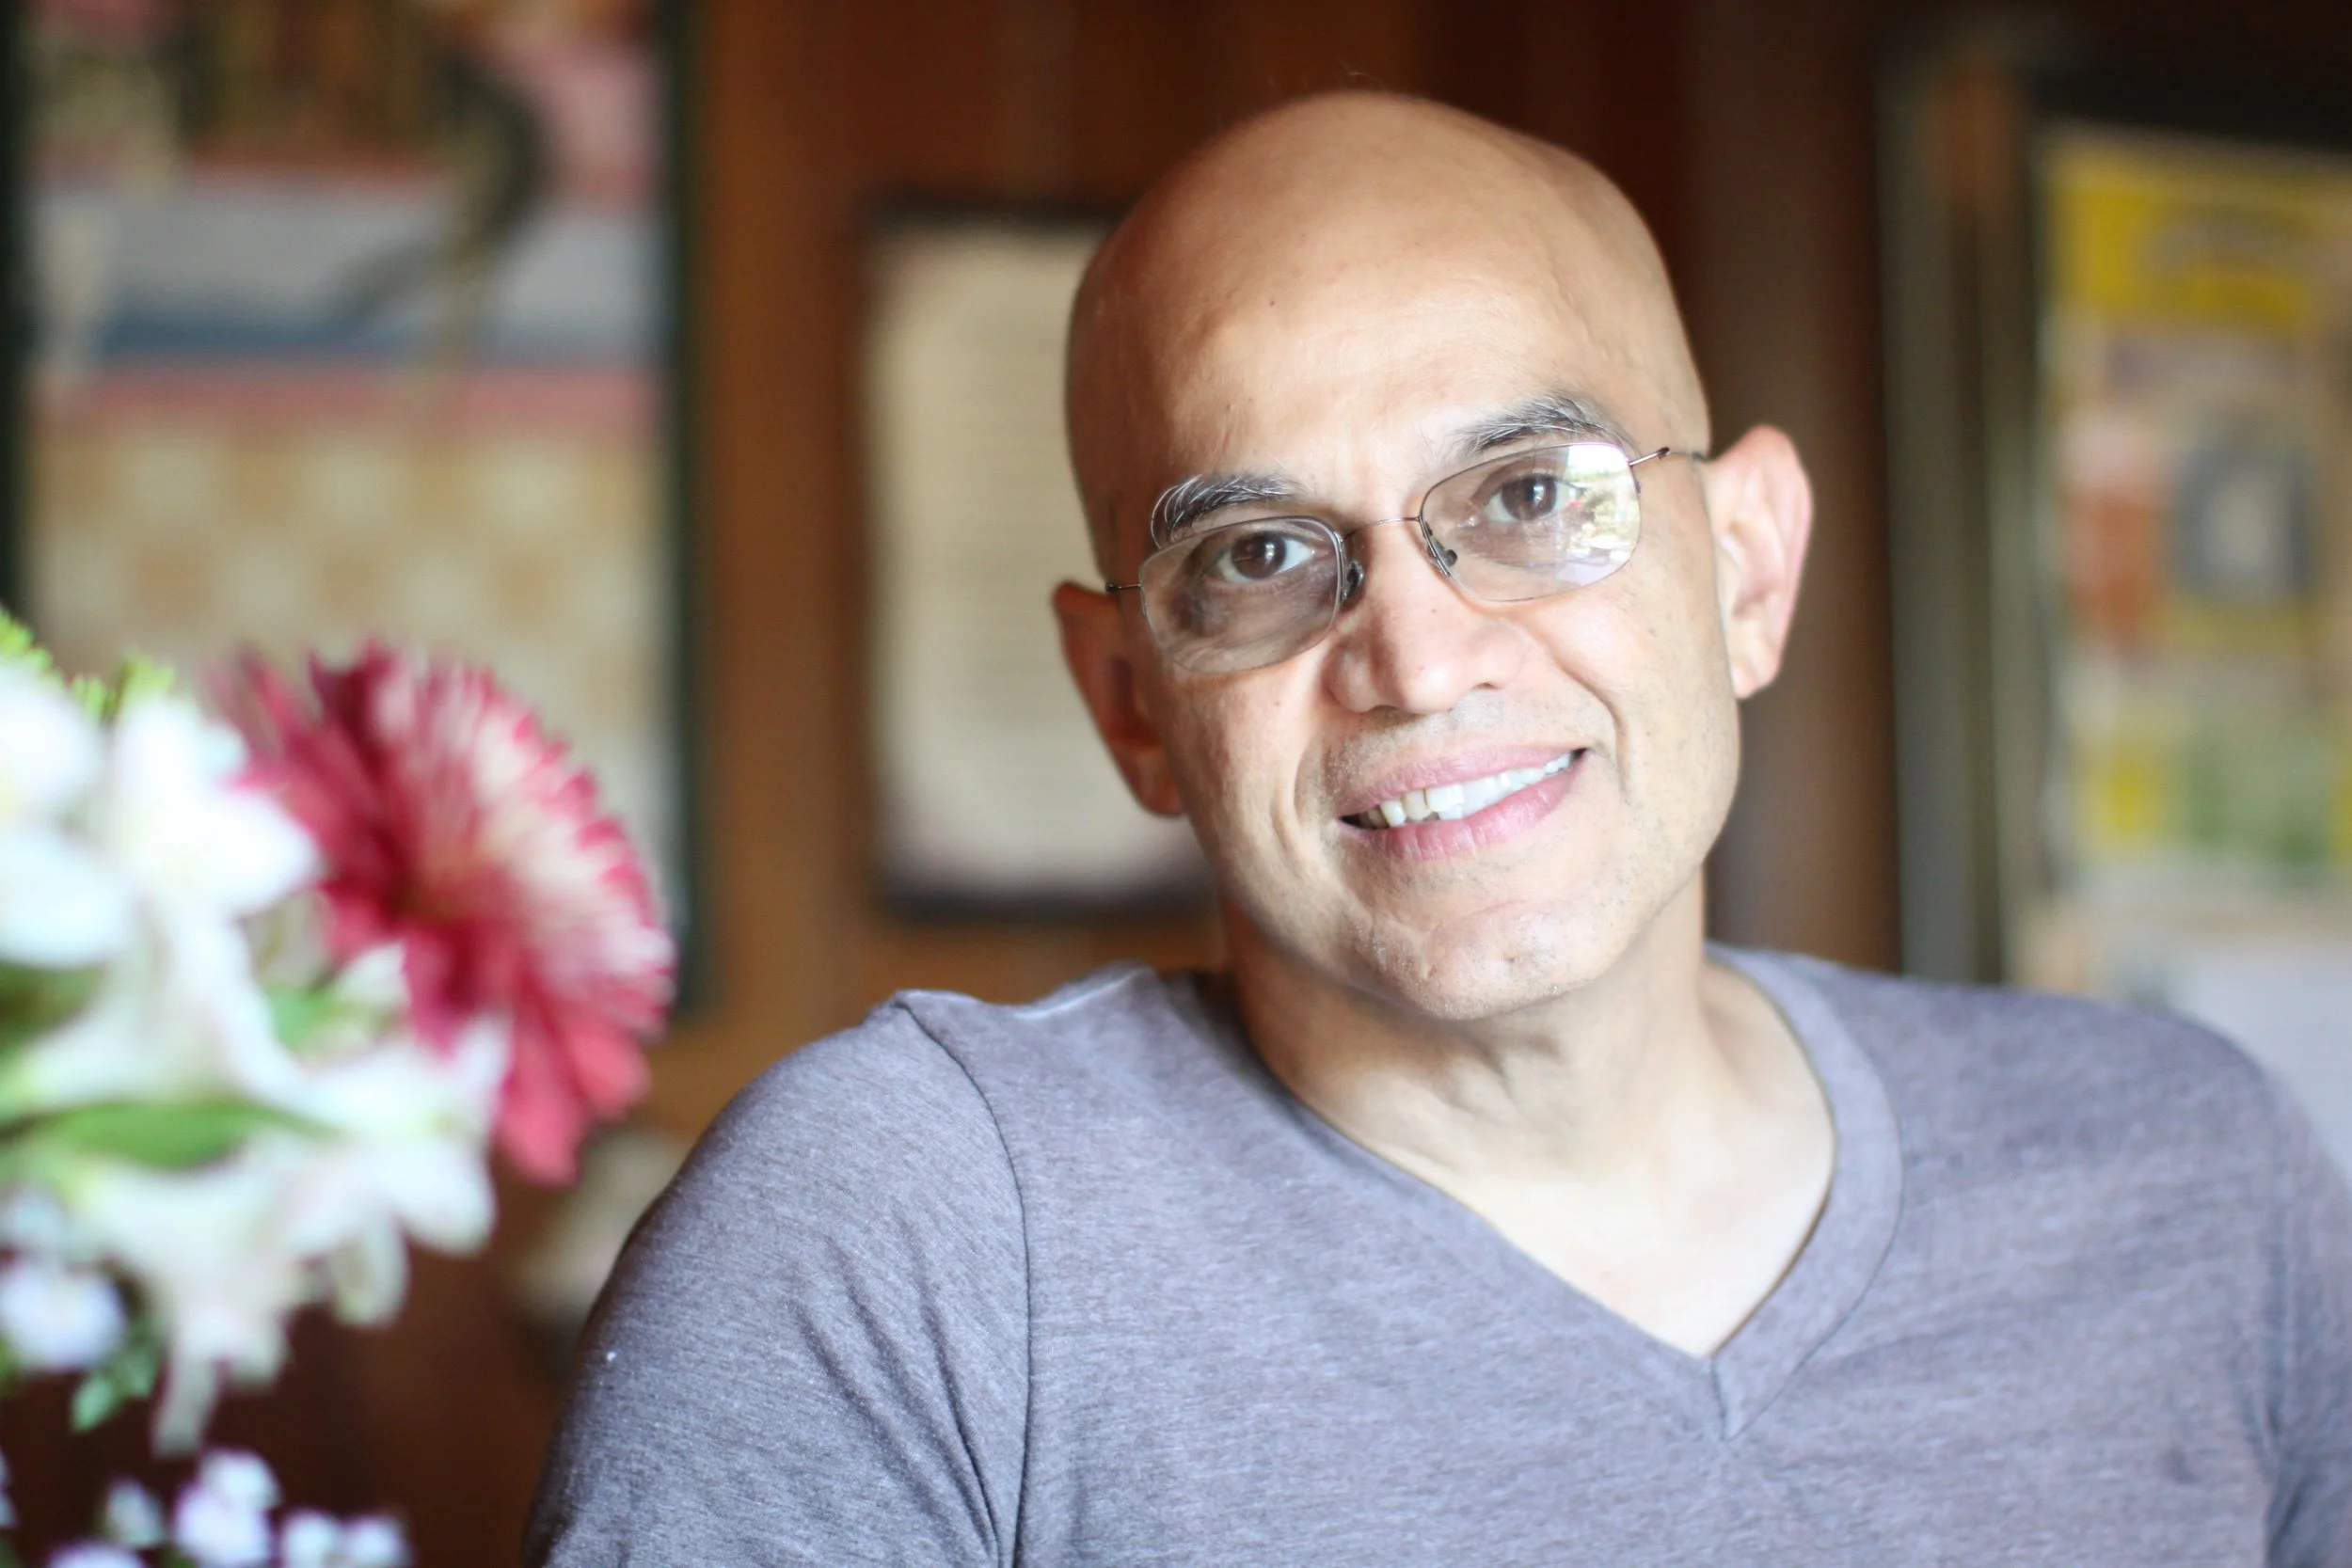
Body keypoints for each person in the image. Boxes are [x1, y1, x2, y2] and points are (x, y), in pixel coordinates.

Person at [528, 93, 2352, 1564]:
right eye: (1254, 557)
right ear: (1128, 705)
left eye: (1527, 492)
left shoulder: (2195, 1181)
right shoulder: (910, 1239)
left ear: (1745, 568)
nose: (1410, 653)